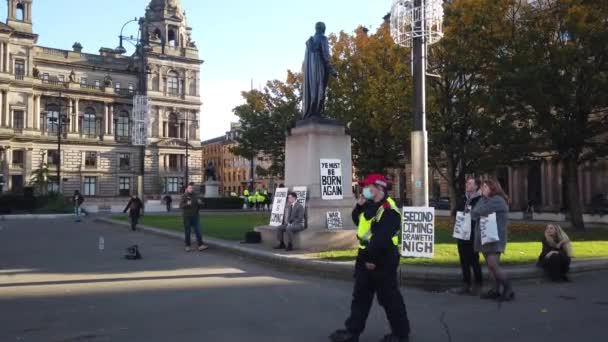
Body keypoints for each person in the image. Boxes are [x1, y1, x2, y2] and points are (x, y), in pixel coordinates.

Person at [330, 174, 410, 342]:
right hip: (365, 256)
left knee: (389, 298)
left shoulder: (389, 210)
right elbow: (358, 221)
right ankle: (352, 332)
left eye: (368, 186)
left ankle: (400, 334)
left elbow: (381, 238)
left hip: (382, 259)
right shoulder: (369, 205)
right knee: (360, 297)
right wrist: (358, 207)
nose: (364, 190)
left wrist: (371, 260)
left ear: (379, 188)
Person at [471, 179, 514, 301]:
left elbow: (479, 211)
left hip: (495, 239)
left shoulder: (497, 200)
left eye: (485, 187)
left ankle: (508, 288)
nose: (482, 189)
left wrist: (479, 203)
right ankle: (495, 290)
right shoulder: (484, 200)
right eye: (482, 187)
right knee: (490, 267)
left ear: (493, 188)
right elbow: (474, 215)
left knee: (493, 265)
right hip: (485, 237)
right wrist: (480, 201)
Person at [453, 177, 483, 295]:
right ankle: (466, 284)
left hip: (473, 233)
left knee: (474, 260)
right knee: (463, 260)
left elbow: (482, 215)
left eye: (470, 183)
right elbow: (455, 211)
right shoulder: (462, 198)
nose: (467, 185)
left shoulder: (480, 200)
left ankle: (478, 283)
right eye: (467, 183)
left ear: (476, 186)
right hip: (461, 234)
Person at [180, 184, 208, 252]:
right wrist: (187, 204)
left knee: (198, 231)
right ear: (187, 189)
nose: (191, 189)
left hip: (195, 216)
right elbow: (181, 206)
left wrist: (200, 203)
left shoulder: (196, 196)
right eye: (189, 188)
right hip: (187, 217)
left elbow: (202, 205)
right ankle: (187, 246)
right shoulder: (184, 196)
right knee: (187, 231)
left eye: (192, 188)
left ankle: (200, 245)